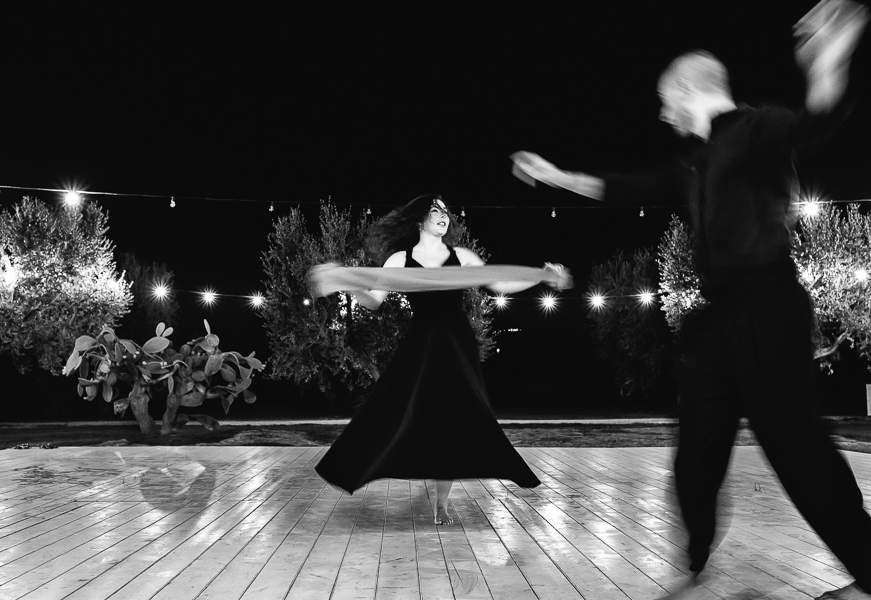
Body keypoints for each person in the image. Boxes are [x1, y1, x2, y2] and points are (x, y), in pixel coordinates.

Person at [511, 1, 871, 598]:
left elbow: (814, 126)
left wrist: (826, 64)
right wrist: (556, 177)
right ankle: (696, 560)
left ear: (688, 89)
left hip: (769, 304)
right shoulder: (691, 163)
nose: (660, 110)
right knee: (696, 448)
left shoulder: (757, 128)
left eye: (664, 97)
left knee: (796, 447)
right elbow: (629, 186)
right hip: (719, 320)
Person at [311, 193, 571, 525]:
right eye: (435, 210)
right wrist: (345, 283)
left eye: (446, 211)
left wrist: (541, 276)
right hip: (421, 343)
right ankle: (353, 466)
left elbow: (499, 282)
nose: (443, 215)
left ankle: (441, 504)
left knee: (453, 418)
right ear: (420, 219)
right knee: (393, 408)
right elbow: (375, 300)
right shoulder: (399, 260)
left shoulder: (460, 256)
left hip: (456, 344)